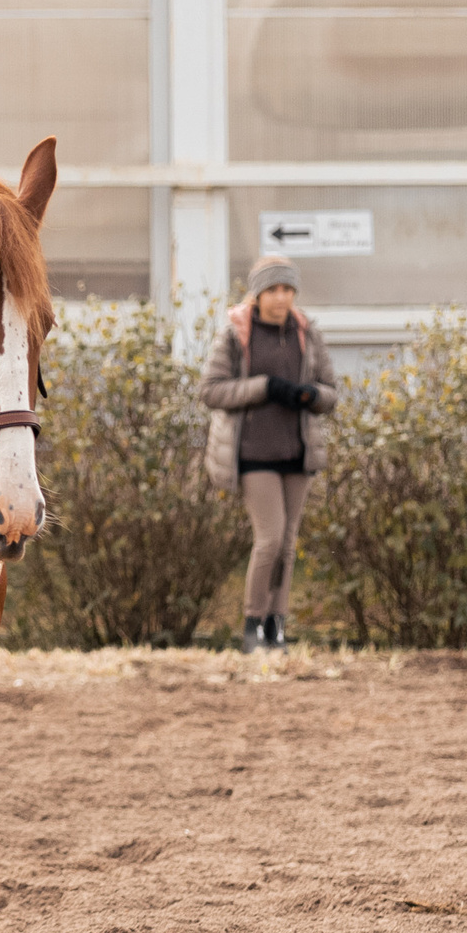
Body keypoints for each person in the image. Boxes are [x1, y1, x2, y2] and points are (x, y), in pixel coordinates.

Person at [200, 256, 340, 654]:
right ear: (258, 293)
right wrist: (263, 387)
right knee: (270, 538)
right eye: (273, 290)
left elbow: (330, 392)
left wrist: (311, 395)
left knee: (288, 543)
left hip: (296, 454)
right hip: (253, 454)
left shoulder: (307, 333)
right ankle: (252, 627)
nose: (282, 298)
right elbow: (211, 390)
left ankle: (277, 628)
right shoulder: (235, 334)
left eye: (288, 289)